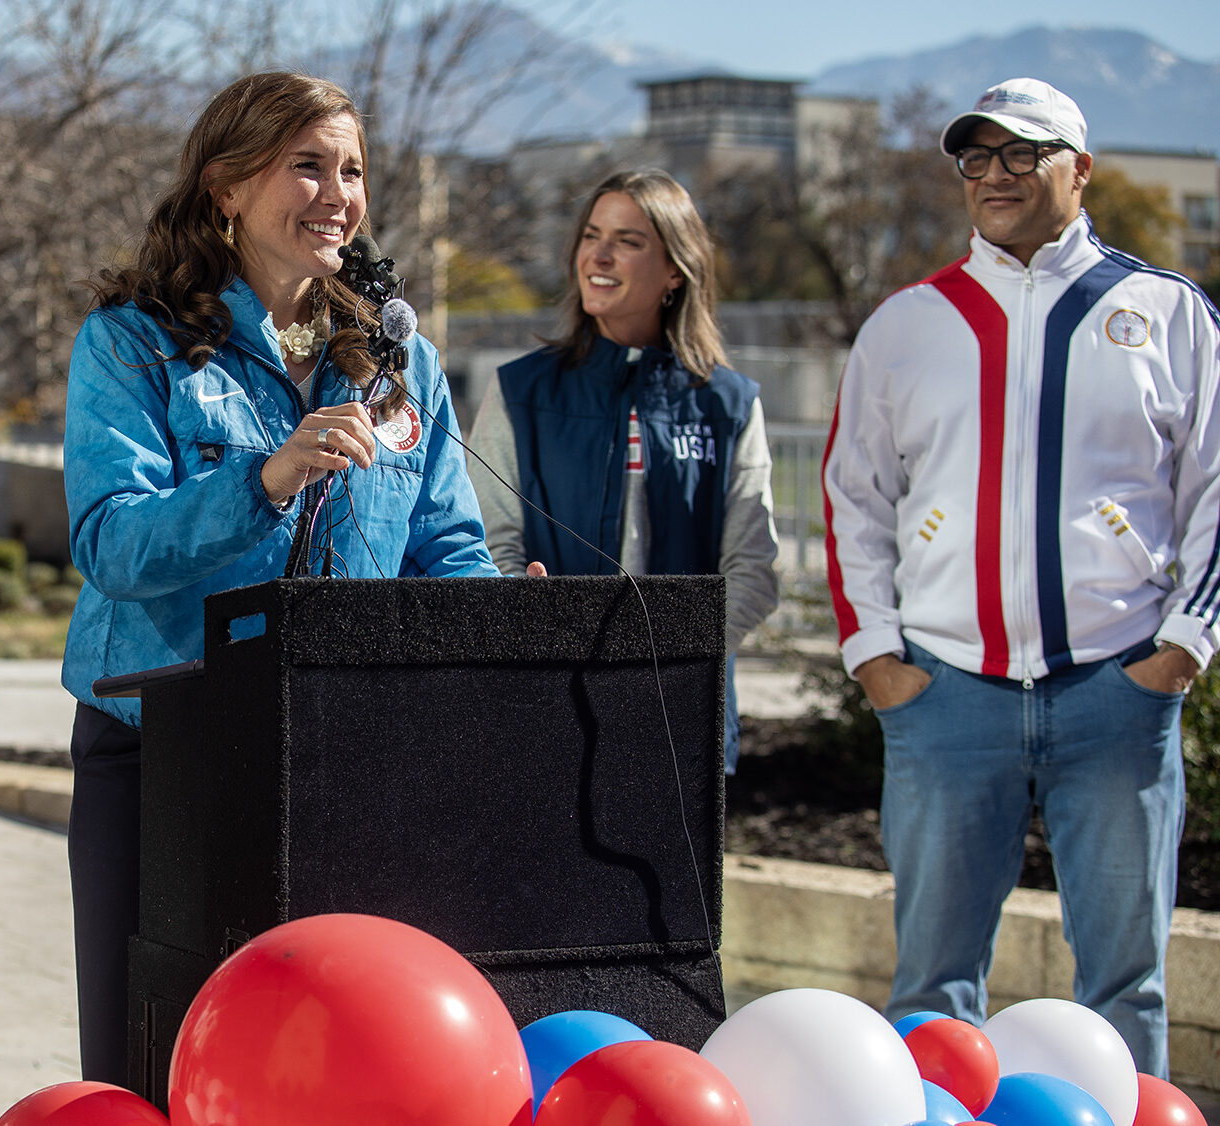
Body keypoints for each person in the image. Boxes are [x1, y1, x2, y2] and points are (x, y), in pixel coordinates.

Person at [60, 71, 498, 1086]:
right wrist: (263, 479)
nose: (336, 192)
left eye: (350, 168)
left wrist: (496, 616)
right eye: (305, 164)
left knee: (322, 1067)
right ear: (224, 184)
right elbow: (112, 546)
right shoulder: (132, 343)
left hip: (344, 761)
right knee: (153, 1065)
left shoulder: (389, 362)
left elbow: (443, 546)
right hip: (162, 756)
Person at [822, 77, 1220, 1074]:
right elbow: (852, 497)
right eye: (974, 156)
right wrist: (876, 657)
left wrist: (1181, 647)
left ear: (1076, 170)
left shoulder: (1165, 313)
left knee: (1124, 981)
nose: (992, 175)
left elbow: (1215, 485)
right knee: (930, 985)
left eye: (1019, 154)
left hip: (1116, 695)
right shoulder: (905, 324)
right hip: (945, 697)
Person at [466, 168, 779, 773]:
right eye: (591, 234)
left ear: (674, 271)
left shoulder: (728, 403)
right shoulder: (520, 389)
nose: (599, 254)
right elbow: (489, 540)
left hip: (684, 716)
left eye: (629, 240)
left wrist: (673, 661)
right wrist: (542, 638)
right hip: (546, 708)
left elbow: (754, 569)